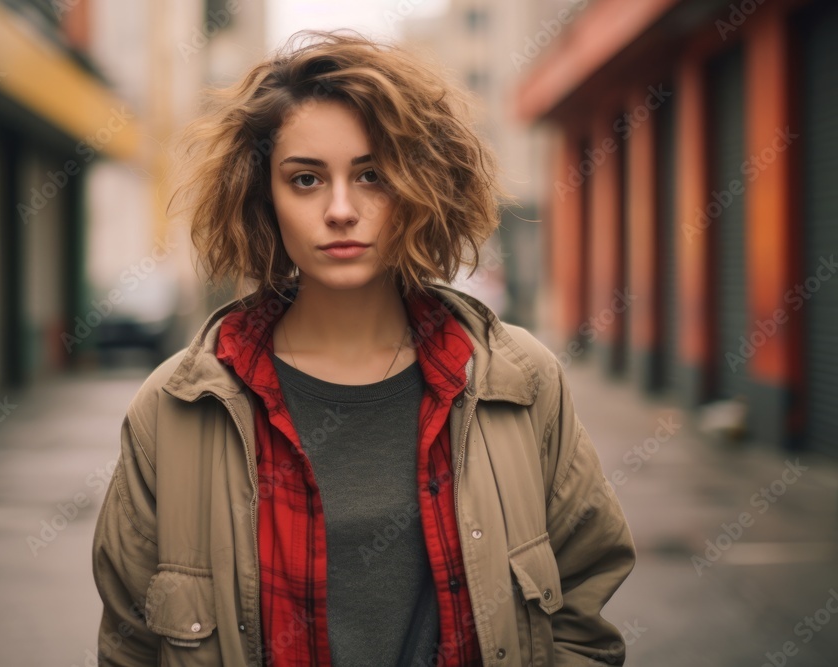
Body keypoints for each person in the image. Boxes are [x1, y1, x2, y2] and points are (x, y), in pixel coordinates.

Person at [91, 29, 635, 667]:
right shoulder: (176, 410)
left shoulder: (518, 383)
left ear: (419, 187)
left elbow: (583, 612)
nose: (341, 209)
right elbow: (130, 646)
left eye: (372, 175)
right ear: (263, 197)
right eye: (305, 179)